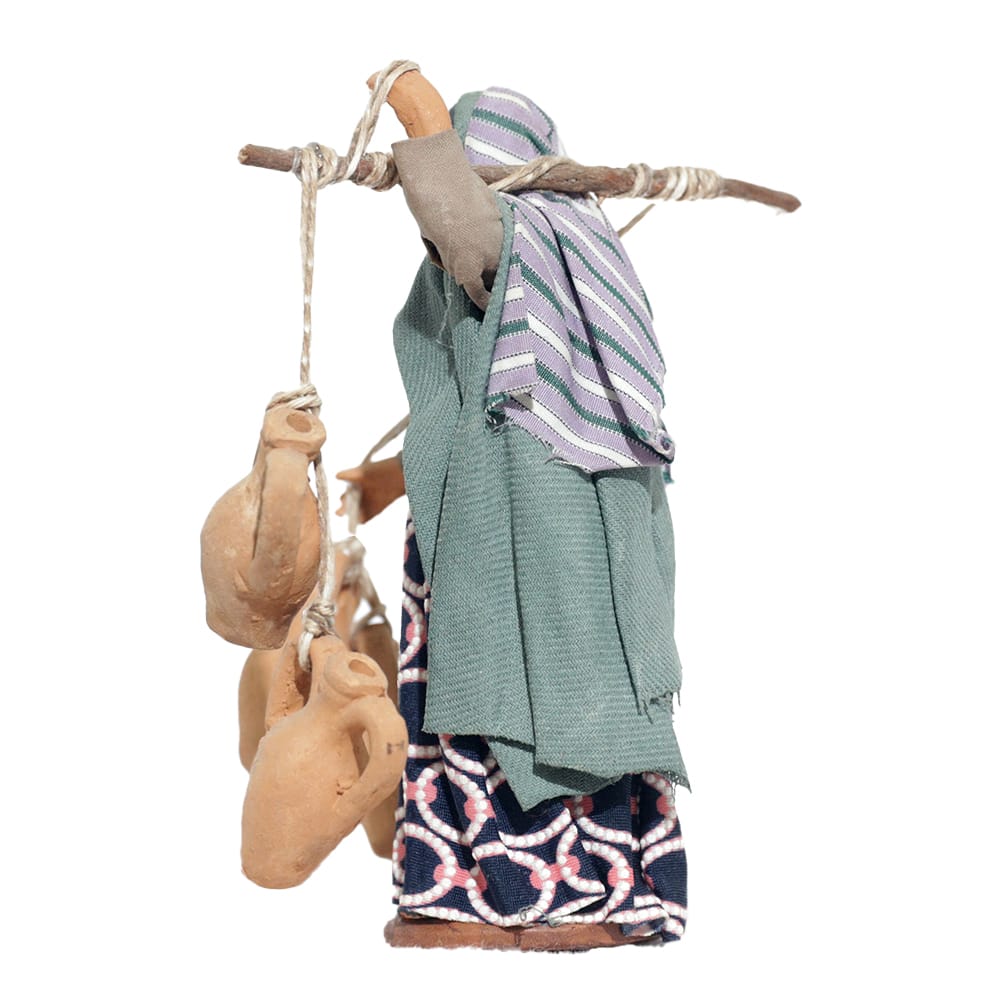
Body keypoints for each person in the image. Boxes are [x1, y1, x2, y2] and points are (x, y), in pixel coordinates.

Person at [337, 70, 687, 949]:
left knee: (538, 698)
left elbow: (459, 215)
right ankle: (473, 895)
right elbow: (483, 414)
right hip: (486, 534)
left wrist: (412, 100)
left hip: (527, 545)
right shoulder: (542, 273)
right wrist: (387, 481)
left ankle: (569, 896)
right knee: (492, 699)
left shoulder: (513, 245)